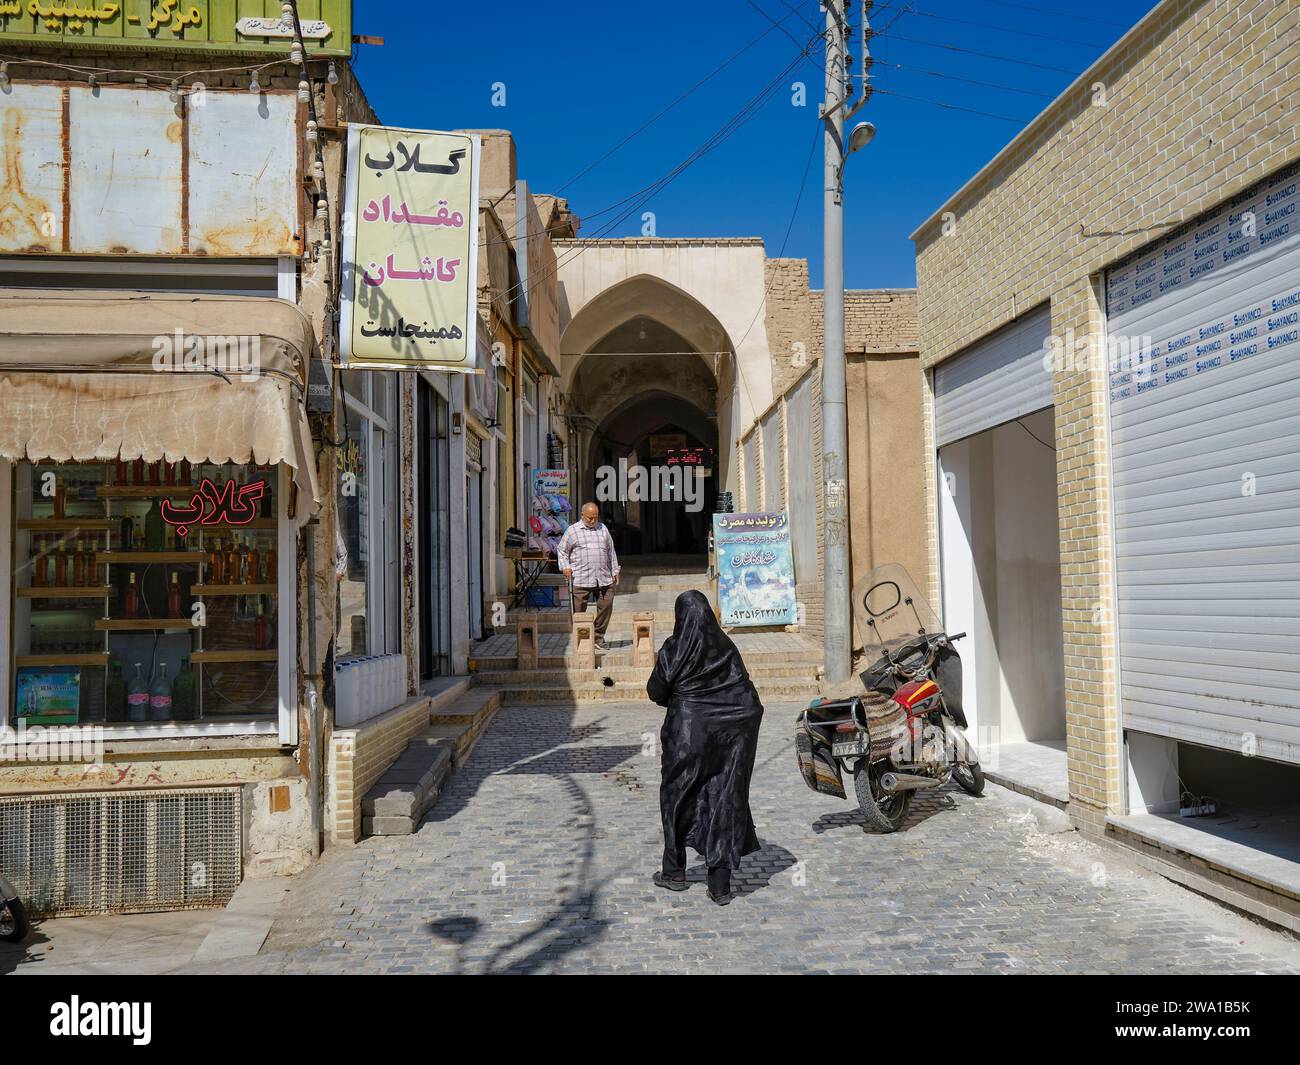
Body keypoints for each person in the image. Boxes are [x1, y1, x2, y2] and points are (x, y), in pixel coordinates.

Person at [646, 590, 764, 905]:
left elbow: (655, 690)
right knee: (726, 797)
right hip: (732, 736)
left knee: (677, 797)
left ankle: (674, 872)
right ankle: (720, 885)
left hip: (688, 736)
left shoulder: (673, 650)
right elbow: (747, 694)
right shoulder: (727, 648)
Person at [557, 501, 620, 651]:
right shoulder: (572, 531)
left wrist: (615, 570)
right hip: (581, 577)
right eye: (590, 518)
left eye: (595, 517)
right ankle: (581, 638)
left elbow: (610, 551)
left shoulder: (603, 528)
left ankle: (598, 637)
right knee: (578, 611)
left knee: (606, 604)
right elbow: (562, 551)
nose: (593, 521)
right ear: (582, 515)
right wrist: (565, 567)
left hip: (603, 576)